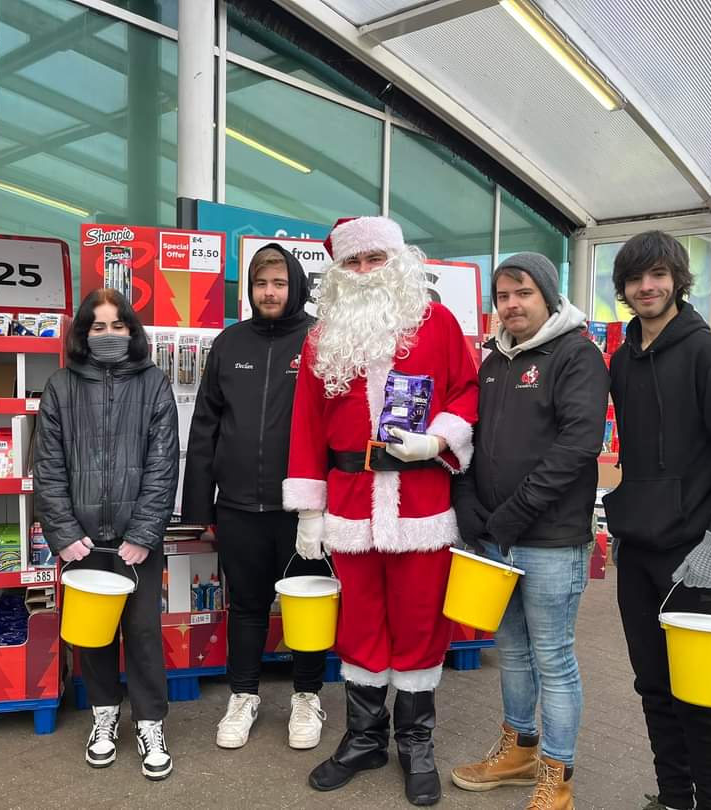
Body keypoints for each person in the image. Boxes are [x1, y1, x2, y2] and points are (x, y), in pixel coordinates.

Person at [283, 216, 478, 806]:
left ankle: (417, 742)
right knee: (361, 622)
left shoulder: (438, 323)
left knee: (420, 621)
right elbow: (306, 426)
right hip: (348, 502)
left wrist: (439, 440)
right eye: (353, 263)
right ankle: (365, 738)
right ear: (338, 273)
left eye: (375, 260)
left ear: (398, 262)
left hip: (420, 502)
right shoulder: (321, 338)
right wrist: (309, 511)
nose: (365, 272)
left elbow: (468, 390)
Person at [603, 231, 711, 810]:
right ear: (623, 288)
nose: (647, 287)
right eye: (636, 278)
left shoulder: (709, 353)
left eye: (658, 276)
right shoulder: (622, 360)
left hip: (696, 553)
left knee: (695, 692)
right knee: (652, 687)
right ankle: (674, 797)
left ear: (677, 281)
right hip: (638, 549)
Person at [450, 254, 609, 810]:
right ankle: (518, 750)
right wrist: (466, 499)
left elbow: (578, 444)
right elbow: (469, 438)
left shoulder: (577, 355)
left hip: (550, 540)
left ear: (547, 295)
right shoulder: (493, 360)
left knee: (553, 657)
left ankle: (557, 777)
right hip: (496, 536)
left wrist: (516, 511)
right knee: (512, 651)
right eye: (503, 295)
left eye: (523, 293)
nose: (512, 304)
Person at [182, 244, 330, 751]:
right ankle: (243, 696)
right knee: (245, 607)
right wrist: (199, 508)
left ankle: (307, 696)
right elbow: (204, 427)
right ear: (250, 289)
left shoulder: (320, 340)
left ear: (296, 286)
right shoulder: (229, 343)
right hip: (239, 507)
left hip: (303, 509)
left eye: (279, 283)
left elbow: (338, 424)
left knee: (307, 607)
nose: (270, 292)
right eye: (261, 284)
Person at [33, 289, 178, 781]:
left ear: (132, 331)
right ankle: (104, 715)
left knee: (141, 634)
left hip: (138, 541)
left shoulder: (154, 384)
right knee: (92, 637)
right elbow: (47, 467)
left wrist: (145, 531)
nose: (110, 335)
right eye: (99, 327)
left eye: (119, 326)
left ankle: (151, 723)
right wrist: (63, 532)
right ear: (83, 333)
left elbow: (163, 464)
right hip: (83, 541)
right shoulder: (60, 387)